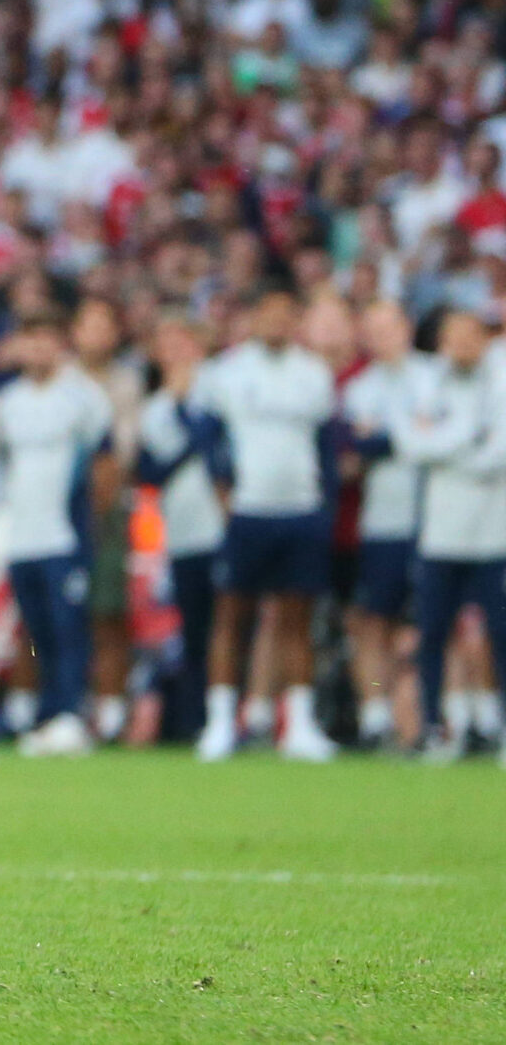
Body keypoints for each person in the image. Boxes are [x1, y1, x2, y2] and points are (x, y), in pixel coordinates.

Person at [191, 289, 340, 762]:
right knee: (231, 618)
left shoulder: (314, 374)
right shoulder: (227, 372)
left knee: (297, 620)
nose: (275, 321)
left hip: (299, 509)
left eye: (284, 313)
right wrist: (224, 496)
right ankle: (219, 722)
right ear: (253, 317)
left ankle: (297, 724)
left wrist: (324, 507)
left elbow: (327, 446)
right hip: (248, 511)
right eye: (267, 313)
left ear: (296, 318)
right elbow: (208, 440)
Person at [0, 313, 114, 757]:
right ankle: (43, 713)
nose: (38, 350)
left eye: (46, 339)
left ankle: (70, 714)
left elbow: (103, 466)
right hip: (22, 534)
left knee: (69, 628)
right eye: (30, 340)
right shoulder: (7, 402)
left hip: (64, 534)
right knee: (36, 631)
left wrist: (90, 529)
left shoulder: (83, 398)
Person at [403, 309, 502, 760]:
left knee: (500, 634)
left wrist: (444, 444)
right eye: (454, 335)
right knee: (433, 633)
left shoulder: (500, 375)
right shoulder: (425, 381)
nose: (463, 343)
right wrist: (469, 437)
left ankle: (495, 725)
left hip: (493, 534)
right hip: (440, 532)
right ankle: (434, 728)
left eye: (471, 334)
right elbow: (412, 445)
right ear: (441, 340)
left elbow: (498, 454)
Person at [137, 316, 229, 744]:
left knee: (228, 624)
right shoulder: (156, 406)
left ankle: (232, 715)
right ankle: (196, 719)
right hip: (184, 528)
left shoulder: (220, 387)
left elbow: (218, 445)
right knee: (194, 628)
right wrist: (180, 414)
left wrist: (186, 415)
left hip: (225, 524)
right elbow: (152, 470)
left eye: (182, 339)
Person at [339, 301, 426, 749]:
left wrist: (386, 438)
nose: (382, 336)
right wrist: (410, 435)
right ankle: (374, 713)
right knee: (375, 622)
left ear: (406, 327)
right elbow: (352, 456)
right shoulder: (359, 388)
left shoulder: (434, 376)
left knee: (437, 623)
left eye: (388, 326)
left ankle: (438, 717)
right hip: (382, 523)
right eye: (371, 328)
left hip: (435, 520)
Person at [70, 298, 144, 744]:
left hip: (109, 509)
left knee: (108, 611)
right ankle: (51, 706)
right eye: (88, 324)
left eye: (104, 325)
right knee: (50, 619)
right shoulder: (60, 380)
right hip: (56, 509)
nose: (95, 334)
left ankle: (112, 710)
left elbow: (123, 451)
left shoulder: (126, 382)